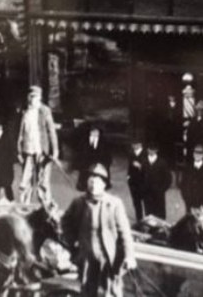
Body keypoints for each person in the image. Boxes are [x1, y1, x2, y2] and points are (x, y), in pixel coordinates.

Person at [61, 164, 137, 297]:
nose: (93, 185)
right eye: (90, 181)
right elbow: (65, 222)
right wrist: (72, 241)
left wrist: (129, 256)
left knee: (109, 292)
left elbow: (125, 233)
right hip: (87, 259)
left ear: (104, 185)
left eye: (97, 182)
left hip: (108, 259)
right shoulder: (79, 202)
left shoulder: (114, 204)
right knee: (87, 291)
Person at [18, 86, 59, 204]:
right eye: (31, 97)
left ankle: (46, 208)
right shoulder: (25, 111)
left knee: (43, 183)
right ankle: (25, 206)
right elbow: (21, 133)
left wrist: (55, 150)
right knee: (25, 182)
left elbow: (52, 131)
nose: (32, 99)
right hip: (28, 151)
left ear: (40, 98)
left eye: (35, 97)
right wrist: (19, 151)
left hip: (42, 152)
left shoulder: (45, 111)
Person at [75, 124, 112, 191]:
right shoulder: (85, 140)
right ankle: (83, 185)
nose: (95, 134)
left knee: (100, 171)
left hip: (100, 160)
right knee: (85, 169)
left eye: (96, 132)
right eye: (93, 132)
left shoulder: (103, 141)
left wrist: (102, 163)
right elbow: (80, 151)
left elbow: (107, 153)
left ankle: (104, 184)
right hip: (87, 160)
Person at [179, 144, 203, 212]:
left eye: (200, 153)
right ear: (193, 154)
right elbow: (183, 185)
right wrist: (186, 199)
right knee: (190, 221)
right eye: (196, 152)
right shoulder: (187, 168)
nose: (197, 155)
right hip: (190, 203)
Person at [140, 145, 172, 220]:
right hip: (147, 194)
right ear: (147, 150)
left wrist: (162, 189)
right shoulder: (144, 162)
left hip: (158, 194)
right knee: (149, 214)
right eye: (150, 149)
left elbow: (168, 178)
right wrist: (143, 189)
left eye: (153, 149)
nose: (151, 151)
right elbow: (140, 177)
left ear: (156, 150)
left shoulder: (162, 162)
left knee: (160, 215)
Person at [126, 142, 146, 221]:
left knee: (145, 201)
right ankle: (139, 218)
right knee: (136, 201)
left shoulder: (145, 153)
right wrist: (128, 177)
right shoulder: (131, 153)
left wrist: (141, 166)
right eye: (132, 144)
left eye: (135, 144)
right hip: (133, 181)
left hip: (143, 181)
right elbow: (129, 166)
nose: (133, 146)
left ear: (140, 144)